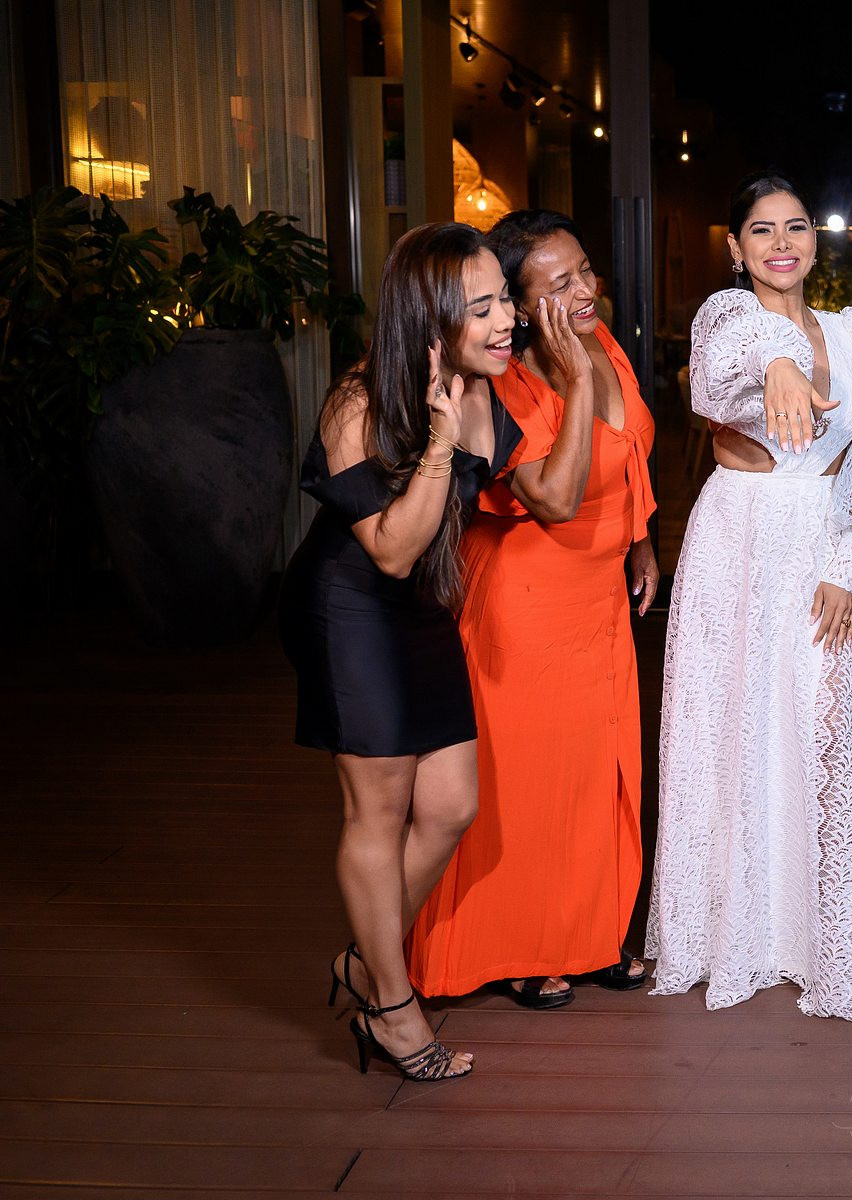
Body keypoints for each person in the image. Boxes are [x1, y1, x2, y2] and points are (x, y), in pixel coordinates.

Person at [645, 172, 852, 1023]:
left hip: (829, 542)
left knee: (824, 726)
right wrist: (775, 359)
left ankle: (821, 940)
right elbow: (717, 378)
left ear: (814, 240)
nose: (780, 243)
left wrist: (847, 558)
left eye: (795, 226)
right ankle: (739, 934)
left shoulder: (849, 328)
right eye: (760, 230)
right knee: (737, 728)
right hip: (739, 543)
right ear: (735, 247)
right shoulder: (725, 319)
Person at [279, 221, 528, 1080]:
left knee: (452, 806)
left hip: (421, 609)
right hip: (350, 609)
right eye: (481, 308)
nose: (506, 321)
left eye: (505, 300)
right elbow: (389, 548)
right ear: (428, 319)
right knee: (377, 816)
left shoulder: (484, 384)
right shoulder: (356, 404)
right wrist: (439, 443)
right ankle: (391, 1009)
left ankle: (362, 963)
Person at [407, 211, 659, 1008]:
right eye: (558, 283)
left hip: (597, 594)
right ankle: (517, 946)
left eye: (584, 270)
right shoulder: (502, 380)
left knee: (595, 774)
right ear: (515, 304)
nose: (583, 291)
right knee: (527, 782)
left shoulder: (602, 340)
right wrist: (575, 382)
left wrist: (640, 538)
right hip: (526, 597)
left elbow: (629, 450)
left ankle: (588, 936)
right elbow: (551, 499)